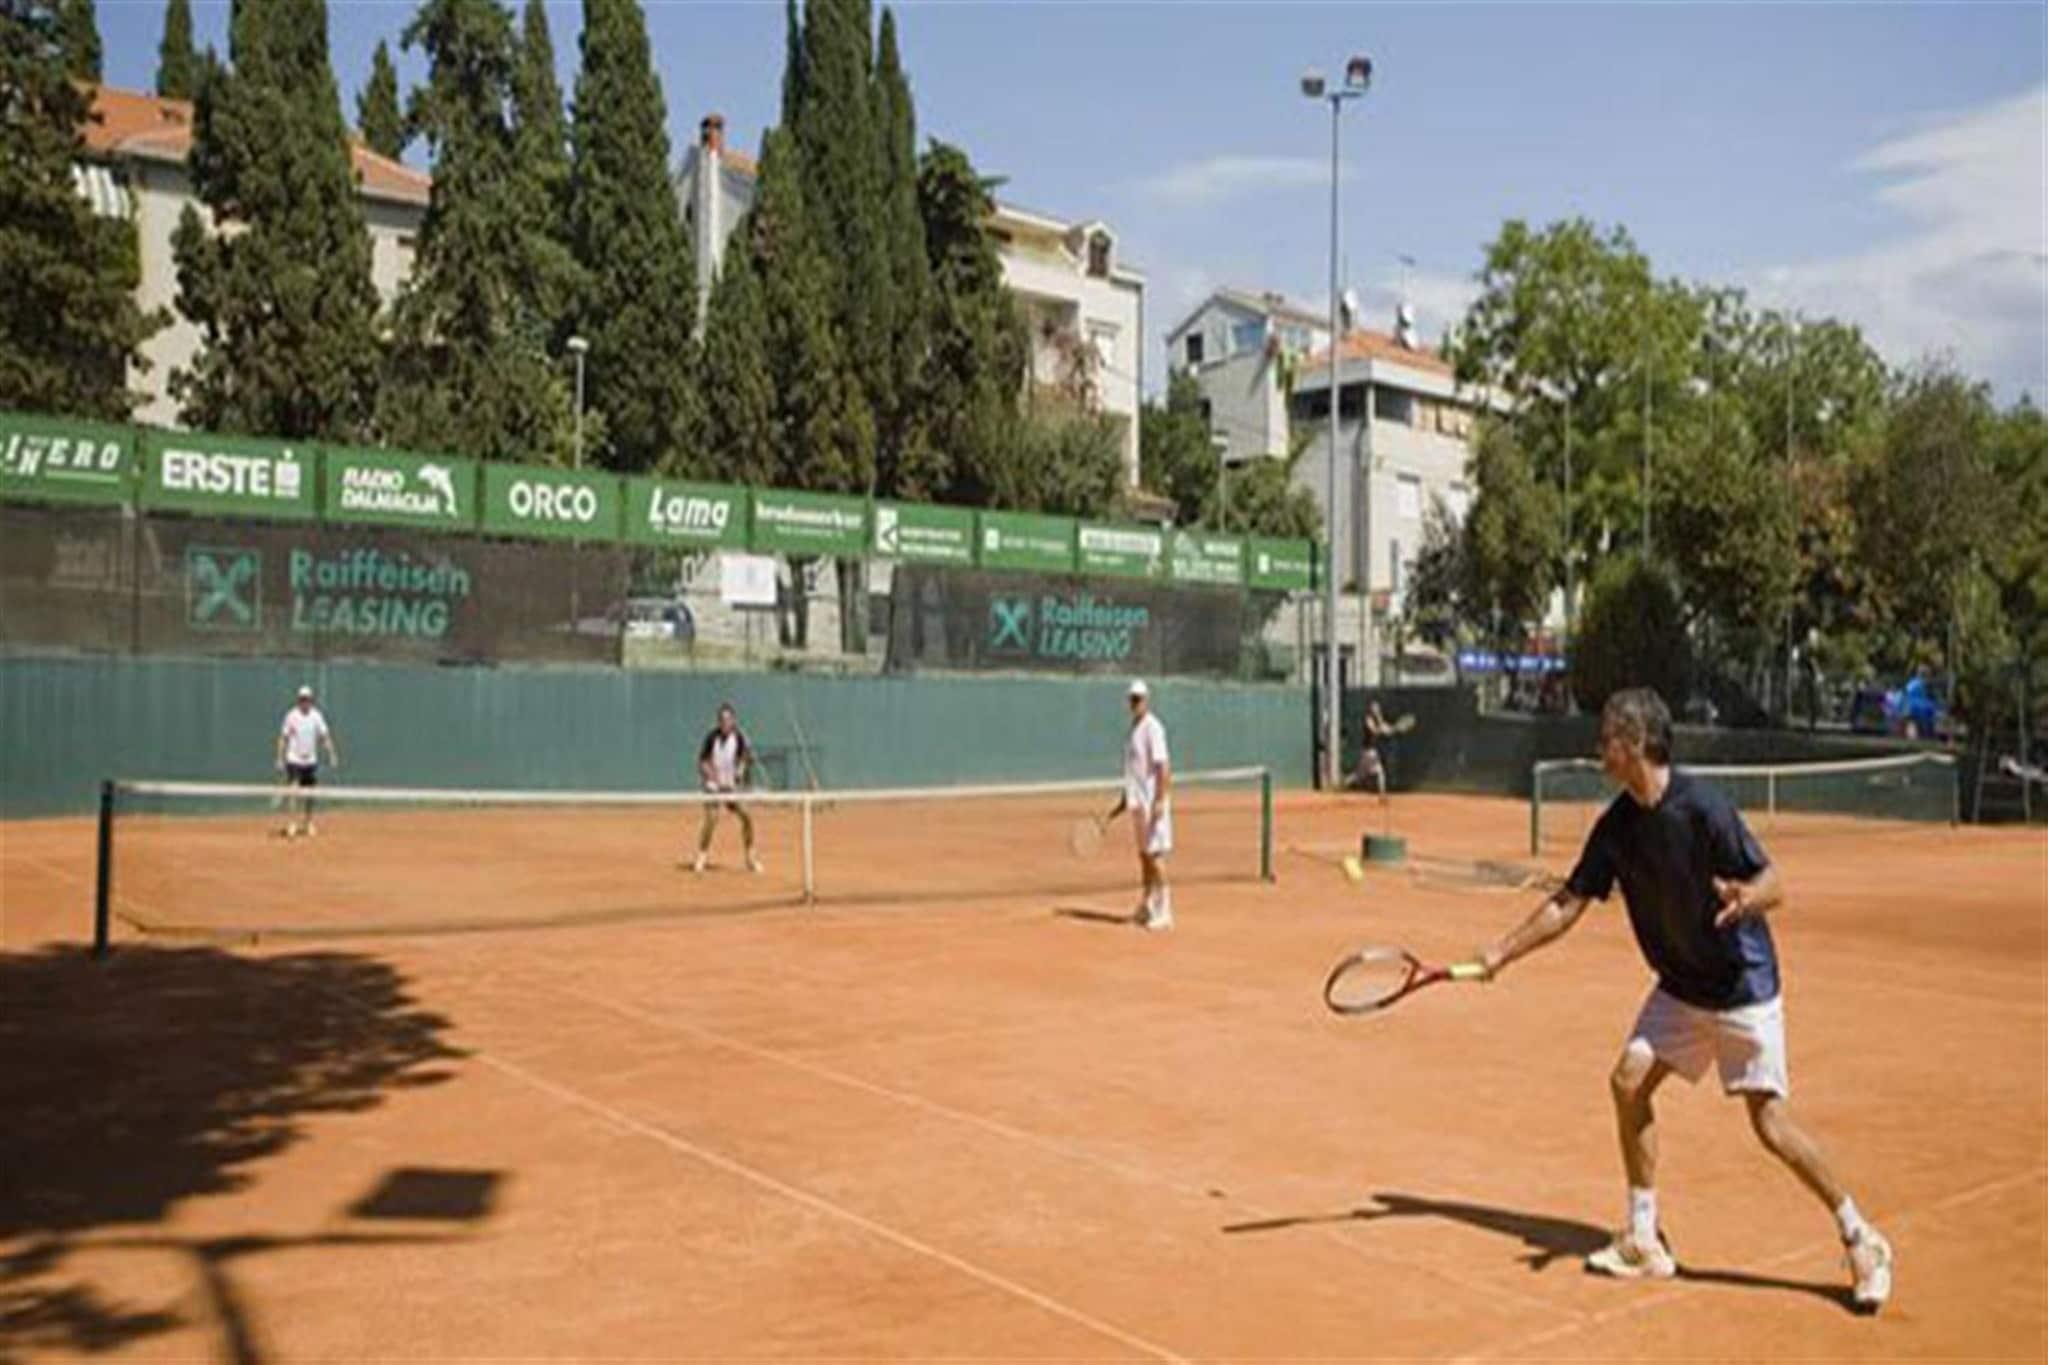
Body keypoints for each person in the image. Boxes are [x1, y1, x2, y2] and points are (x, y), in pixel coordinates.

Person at [1476, 687, 1893, 1312]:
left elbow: (1775, 883)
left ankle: (1862, 1238)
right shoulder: (1616, 827)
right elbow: (1568, 902)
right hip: (1679, 986)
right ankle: (1645, 1239)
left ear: (1636, 743)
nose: (1599, 747)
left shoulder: (1704, 809)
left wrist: (1748, 899)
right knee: (1628, 1083)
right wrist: (1501, 952)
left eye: (1608, 737)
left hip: (1740, 983)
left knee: (1770, 1124)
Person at [1105, 679, 1173, 931]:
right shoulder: (1133, 730)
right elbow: (1134, 771)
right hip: (1138, 805)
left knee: (1155, 856)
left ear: (1147, 700)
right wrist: (1125, 800)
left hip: (1152, 804)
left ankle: (1165, 911)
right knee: (1144, 856)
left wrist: (1160, 800)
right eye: (1132, 699)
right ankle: (1147, 905)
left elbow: (1163, 766)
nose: (1135, 703)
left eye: (1139, 699)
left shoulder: (1153, 728)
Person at [689, 702, 761, 874]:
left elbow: (743, 759)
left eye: (728, 719)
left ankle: (750, 858)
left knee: (746, 817)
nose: (725, 722)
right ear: (718, 721)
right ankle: (702, 857)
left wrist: (739, 772)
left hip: (730, 788)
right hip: (713, 787)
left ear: (733, 721)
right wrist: (711, 776)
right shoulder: (711, 738)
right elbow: (702, 762)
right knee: (712, 819)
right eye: (722, 719)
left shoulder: (739, 738)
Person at [274, 685, 339, 838]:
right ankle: (292, 824)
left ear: (311, 700)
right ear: (299, 700)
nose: (305, 702)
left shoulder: (316, 716)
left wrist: (332, 754)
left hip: (310, 761)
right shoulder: (291, 716)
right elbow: (283, 738)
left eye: (307, 699)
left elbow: (325, 736)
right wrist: (279, 757)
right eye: (302, 699)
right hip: (294, 759)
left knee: (310, 794)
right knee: (293, 791)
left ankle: (308, 822)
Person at [1348, 701, 1394, 802]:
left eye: (1377, 708)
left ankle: (1382, 795)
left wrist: (1388, 730)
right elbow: (1374, 731)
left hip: (1372, 751)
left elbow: (1385, 728)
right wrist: (1382, 730)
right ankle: (1382, 795)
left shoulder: (1379, 719)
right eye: (1374, 708)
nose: (1377, 710)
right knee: (1367, 773)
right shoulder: (1368, 719)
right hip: (1368, 751)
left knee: (1367, 773)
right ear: (1371, 710)